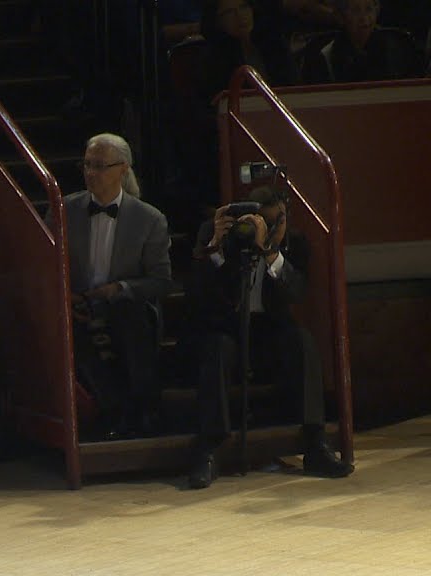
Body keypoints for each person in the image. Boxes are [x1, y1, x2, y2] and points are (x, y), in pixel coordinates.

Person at [185, 186, 353, 488]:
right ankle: (209, 448)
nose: (262, 227)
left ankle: (315, 442)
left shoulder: (294, 243)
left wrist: (271, 252)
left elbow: (295, 292)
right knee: (217, 348)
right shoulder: (217, 234)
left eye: (273, 221)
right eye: (258, 220)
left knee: (302, 341)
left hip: (269, 329)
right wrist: (215, 250)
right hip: (225, 327)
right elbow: (198, 294)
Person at [56, 133, 172, 438]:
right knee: (70, 331)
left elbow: (161, 281)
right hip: (77, 303)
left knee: (130, 319)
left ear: (123, 169)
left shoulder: (149, 219)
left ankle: (144, 411)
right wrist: (66, 297)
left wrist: (118, 289)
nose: (90, 173)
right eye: (87, 165)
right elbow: (45, 265)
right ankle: (111, 411)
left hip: (124, 303)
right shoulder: (64, 210)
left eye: (99, 166)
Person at [301, 0, 424, 84]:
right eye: (356, 11)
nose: (364, 18)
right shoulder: (325, 55)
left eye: (369, 9)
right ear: (340, 16)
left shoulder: (397, 48)